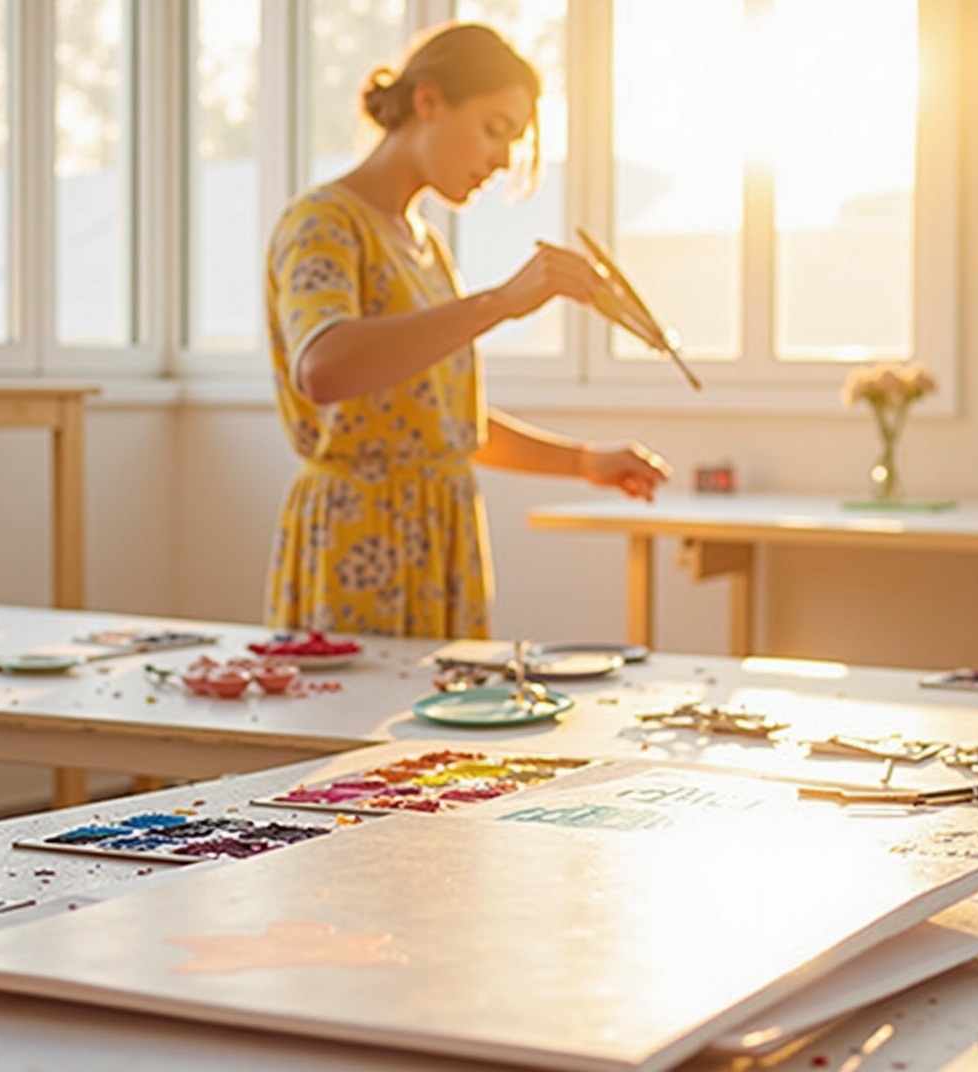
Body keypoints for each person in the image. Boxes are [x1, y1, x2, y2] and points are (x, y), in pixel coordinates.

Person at [263, 22, 673, 640]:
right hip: (359, 538)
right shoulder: (322, 224)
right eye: (494, 129)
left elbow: (442, 423)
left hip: (440, 535)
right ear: (427, 100)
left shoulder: (426, 247)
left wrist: (586, 462)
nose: (503, 160)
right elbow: (323, 367)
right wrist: (500, 303)